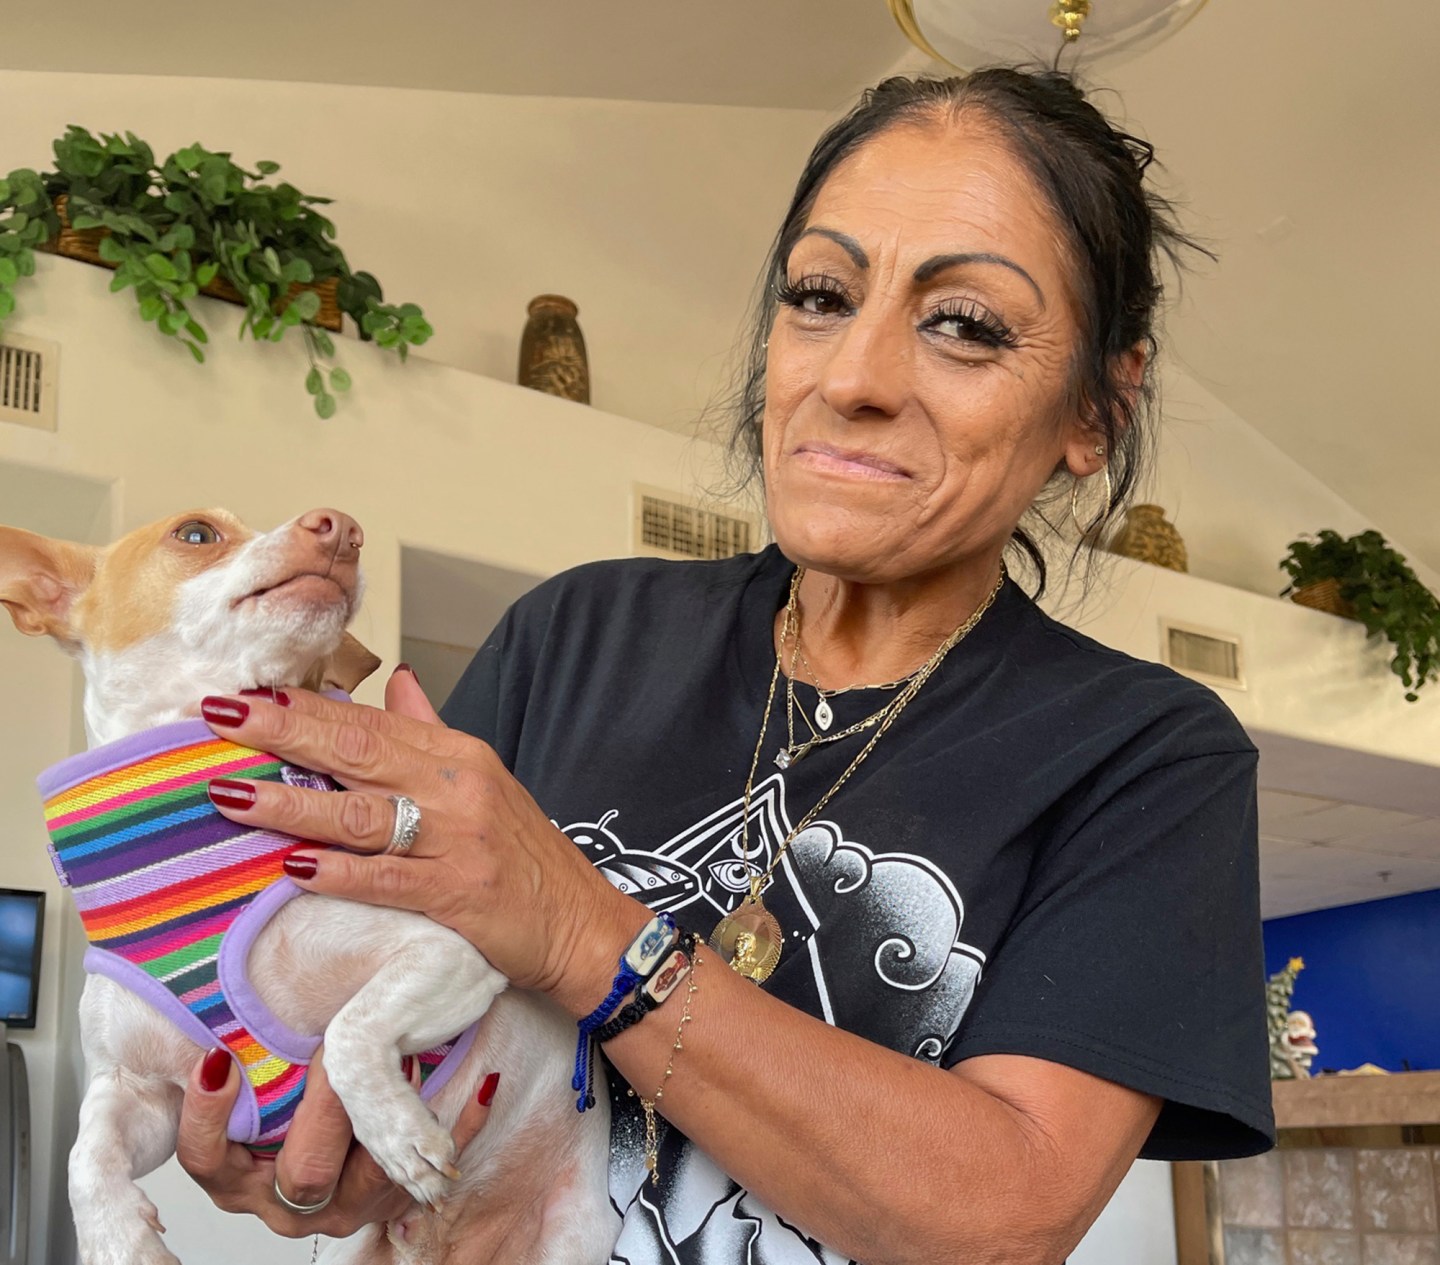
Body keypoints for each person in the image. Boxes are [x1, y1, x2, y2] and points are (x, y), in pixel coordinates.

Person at [175, 67, 1275, 1264]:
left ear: (1096, 414)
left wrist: (582, 926)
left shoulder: (1145, 753)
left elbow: (1004, 1215)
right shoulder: (573, 634)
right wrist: (311, 1140)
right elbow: (382, 1023)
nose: (849, 378)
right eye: (819, 295)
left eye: (963, 324)